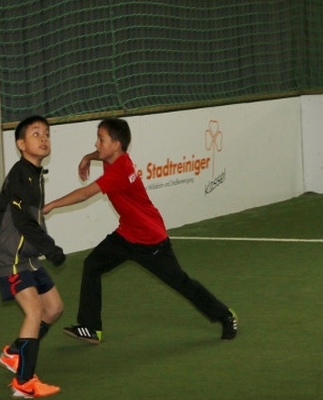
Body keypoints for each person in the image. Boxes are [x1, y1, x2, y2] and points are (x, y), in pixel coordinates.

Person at [43, 117, 238, 344]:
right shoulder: (115, 157)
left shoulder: (119, 171)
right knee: (92, 265)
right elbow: (101, 154)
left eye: (101, 140)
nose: (97, 144)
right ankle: (90, 327)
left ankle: (225, 315)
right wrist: (88, 157)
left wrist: (52, 205)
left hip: (151, 241)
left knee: (181, 282)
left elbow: (84, 194)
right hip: (126, 235)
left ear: (116, 145)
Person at [0, 115, 65, 399]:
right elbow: (22, 221)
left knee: (54, 308)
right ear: (21, 144)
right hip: (11, 258)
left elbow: (1, 212)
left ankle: (14, 352)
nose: (43, 138)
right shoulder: (21, 175)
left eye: (46, 134)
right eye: (36, 134)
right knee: (34, 312)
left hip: (28, 256)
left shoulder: (33, 173)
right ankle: (24, 382)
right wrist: (51, 248)